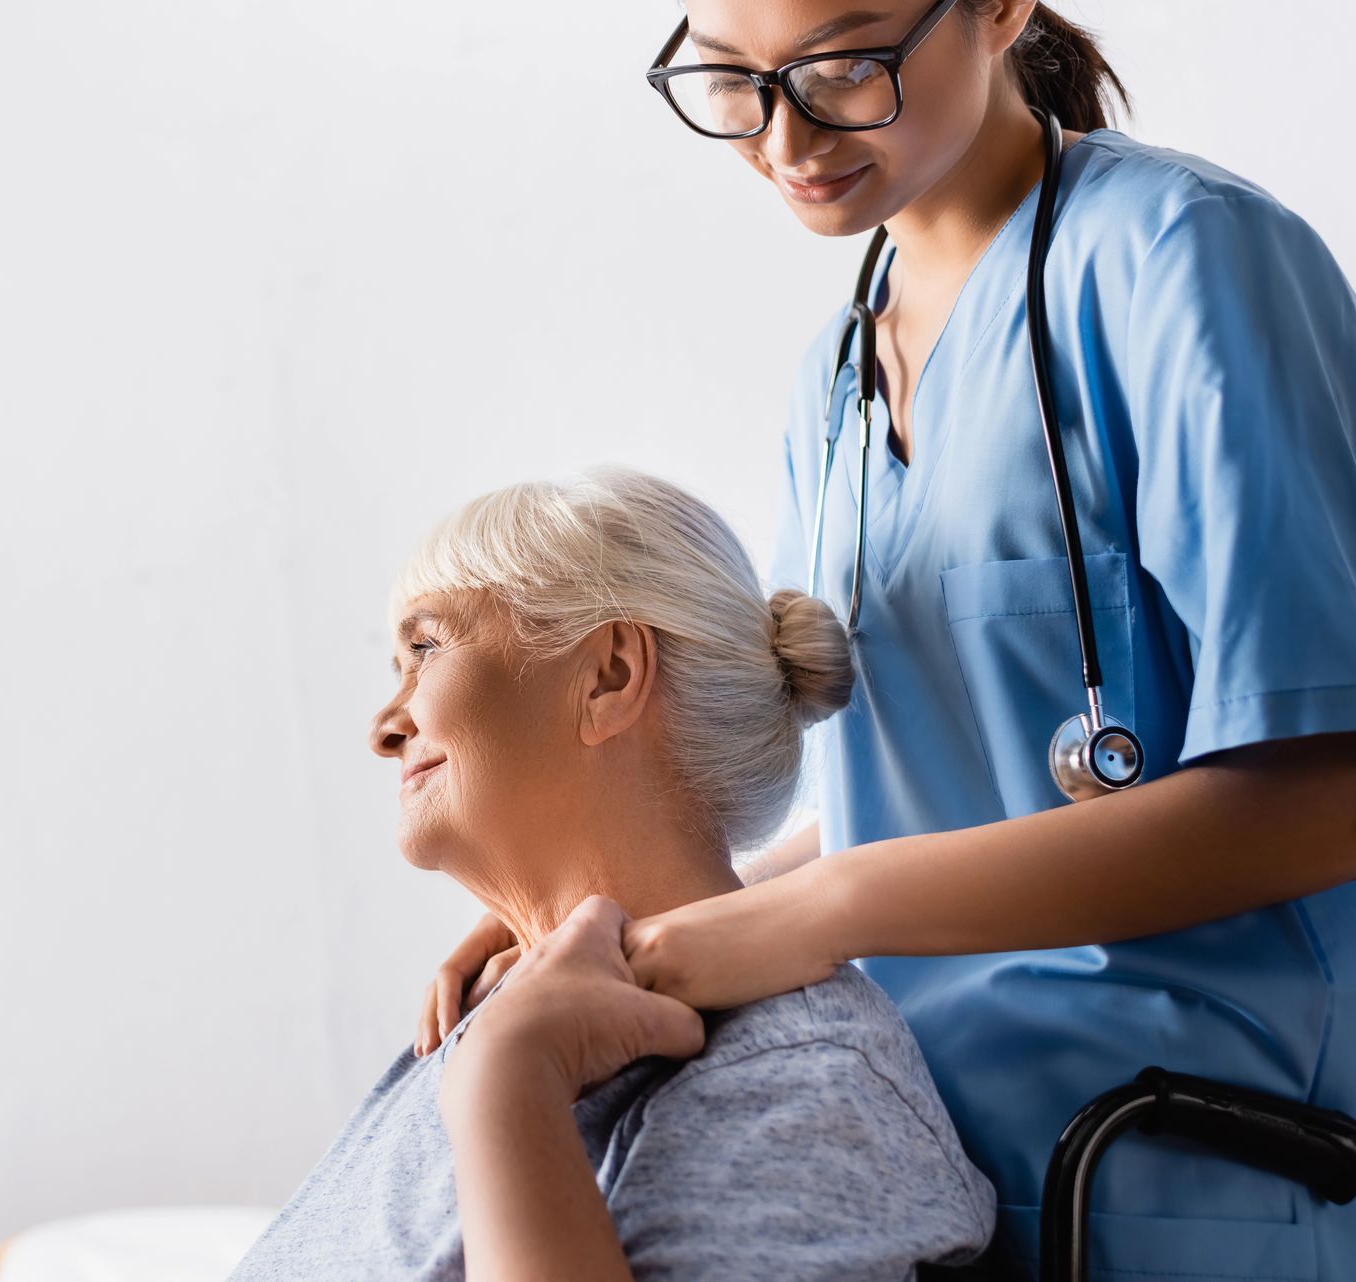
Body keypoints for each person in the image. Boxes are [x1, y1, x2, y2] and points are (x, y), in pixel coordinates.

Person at [415, 4, 1356, 1278]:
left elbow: (1323, 792)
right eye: (734, 84)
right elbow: (919, 789)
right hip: (912, 1176)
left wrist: (823, 912)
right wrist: (611, 921)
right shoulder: (837, 381)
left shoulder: (1185, 261)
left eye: (846, 65)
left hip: (1184, 1167)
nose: (787, 136)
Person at [230, 467, 996, 1280]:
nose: (386, 728)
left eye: (426, 648)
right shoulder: (488, 1016)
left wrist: (506, 1085)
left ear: (610, 676)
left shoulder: (797, 1084)